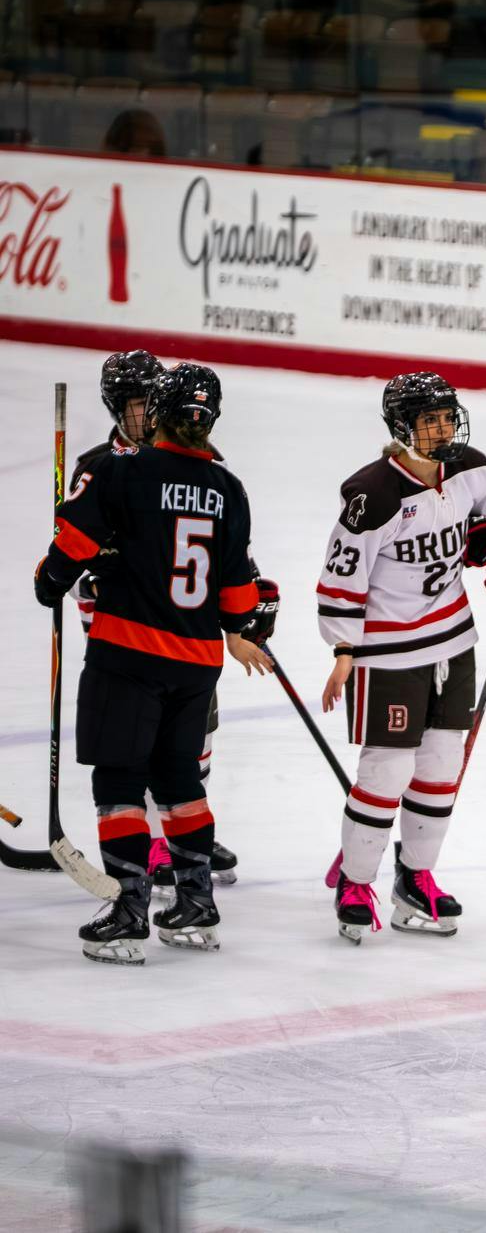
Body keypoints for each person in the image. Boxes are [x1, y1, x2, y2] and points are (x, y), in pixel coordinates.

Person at [33, 364, 273, 964]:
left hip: (128, 655)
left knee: (118, 780)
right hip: (196, 664)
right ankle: (195, 901)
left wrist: (51, 579)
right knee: (178, 781)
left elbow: (71, 550)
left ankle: (130, 906)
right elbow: (240, 598)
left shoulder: (122, 470)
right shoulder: (228, 487)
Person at [316, 372, 486, 943]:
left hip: (455, 644)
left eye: (447, 417)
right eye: (428, 420)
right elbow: (340, 580)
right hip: (390, 654)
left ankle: (415, 878)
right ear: (401, 427)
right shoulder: (373, 496)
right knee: (386, 771)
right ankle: (356, 880)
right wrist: (344, 649)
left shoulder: (472, 469)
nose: (442, 430)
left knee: (441, 769)